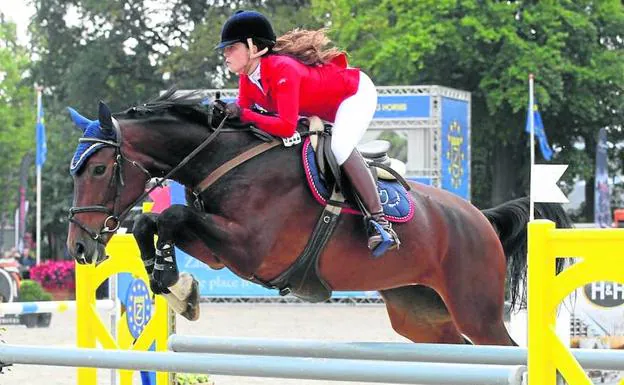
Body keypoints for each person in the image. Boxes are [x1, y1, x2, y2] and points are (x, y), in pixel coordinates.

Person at [216, 10, 400, 257]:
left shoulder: (282, 68)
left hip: (354, 95)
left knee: (340, 146)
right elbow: (244, 113)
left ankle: (380, 222)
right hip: (324, 109)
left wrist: (243, 114)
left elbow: (284, 126)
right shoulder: (248, 78)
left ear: (254, 47)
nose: (225, 54)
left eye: (231, 48)